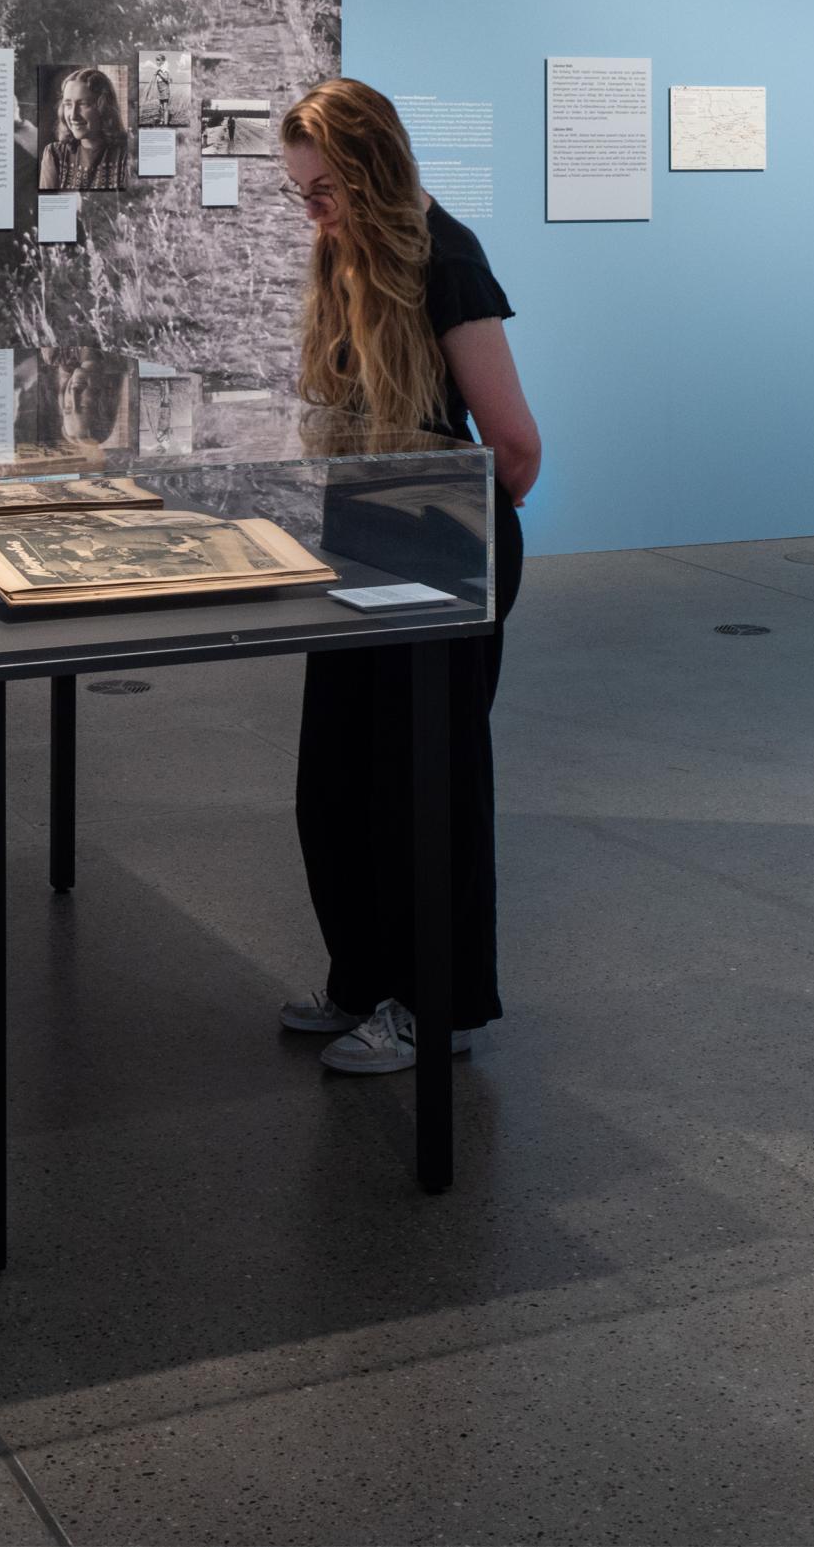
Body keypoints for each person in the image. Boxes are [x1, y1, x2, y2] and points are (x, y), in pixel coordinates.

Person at [275, 77, 542, 1078]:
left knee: (430, 784)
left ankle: (443, 1003)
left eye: (325, 190)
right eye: (303, 192)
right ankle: (363, 977)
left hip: (441, 542)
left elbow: (515, 445)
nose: (313, 213)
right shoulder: (347, 255)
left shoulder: (448, 258)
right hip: (368, 540)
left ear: (374, 170)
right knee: (338, 778)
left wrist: (453, 538)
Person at [41, 64, 128, 191]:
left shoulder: (124, 154)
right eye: (68, 104)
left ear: (103, 107)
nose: (73, 115)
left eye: (83, 104)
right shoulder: (55, 154)